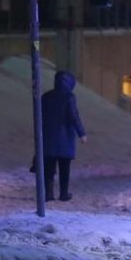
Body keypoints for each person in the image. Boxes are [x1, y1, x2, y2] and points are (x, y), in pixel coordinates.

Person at [40, 70, 87, 201]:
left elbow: (40, 116)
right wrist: (81, 133)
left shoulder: (46, 96)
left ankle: (48, 194)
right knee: (64, 168)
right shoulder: (69, 97)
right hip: (65, 138)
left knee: (48, 168)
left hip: (48, 137)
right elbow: (74, 116)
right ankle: (63, 194)